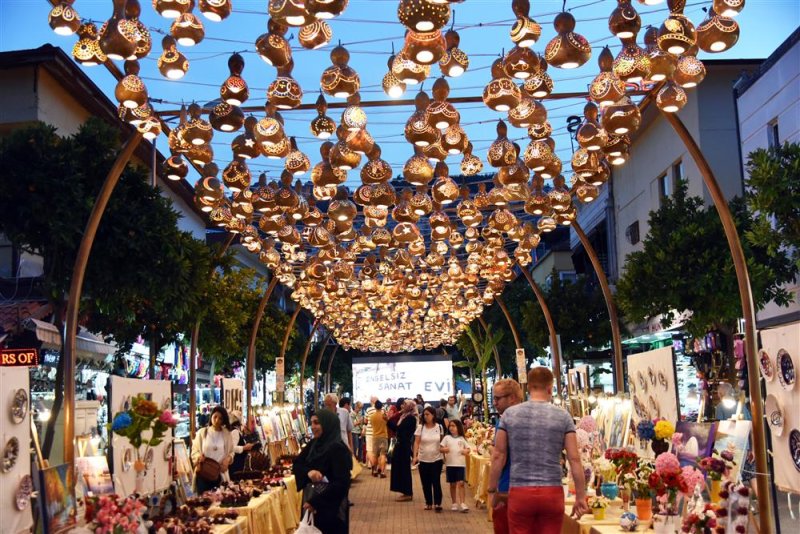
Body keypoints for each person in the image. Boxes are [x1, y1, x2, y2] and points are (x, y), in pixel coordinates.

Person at [488, 367, 588, 534]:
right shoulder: (563, 417)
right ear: (550, 387)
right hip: (552, 492)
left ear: (528, 388)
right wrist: (580, 497)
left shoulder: (509, 416)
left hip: (520, 493)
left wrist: (492, 490)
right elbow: (574, 459)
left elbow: (498, 455)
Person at [293, 409, 352, 534]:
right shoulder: (314, 444)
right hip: (312, 505)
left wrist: (316, 502)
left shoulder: (338, 449)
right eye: (312, 423)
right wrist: (309, 472)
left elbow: (342, 483)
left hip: (331, 509)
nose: (313, 427)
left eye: (317, 423)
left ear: (327, 424)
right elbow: (297, 464)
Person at [489, 379, 524, 534]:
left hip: (508, 488)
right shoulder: (536, 418)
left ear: (512, 397)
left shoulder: (505, 420)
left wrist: (491, 490)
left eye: (498, 398)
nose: (494, 403)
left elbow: (499, 457)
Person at [191, 405, 234, 493]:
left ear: (224, 420)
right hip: (204, 473)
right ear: (211, 416)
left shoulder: (227, 434)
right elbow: (194, 451)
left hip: (220, 473)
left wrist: (228, 459)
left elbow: (231, 451)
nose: (217, 420)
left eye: (220, 418)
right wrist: (199, 457)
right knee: (204, 503)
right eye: (215, 417)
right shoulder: (202, 433)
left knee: (220, 501)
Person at [413, 406, 445, 512]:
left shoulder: (439, 427)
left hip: (437, 458)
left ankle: (437, 503)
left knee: (436, 481)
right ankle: (428, 502)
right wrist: (415, 456)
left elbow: (442, 442)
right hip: (423, 459)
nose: (426, 416)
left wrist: (445, 455)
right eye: (424, 414)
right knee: (425, 482)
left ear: (433, 415)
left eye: (428, 414)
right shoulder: (420, 428)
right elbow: (416, 442)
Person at [388, 399, 417, 502]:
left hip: (403, 446)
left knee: (404, 469)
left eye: (405, 405)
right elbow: (394, 424)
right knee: (399, 469)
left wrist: (388, 422)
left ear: (409, 406)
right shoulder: (403, 416)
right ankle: (404, 491)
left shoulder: (410, 418)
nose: (402, 406)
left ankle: (408, 492)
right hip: (398, 445)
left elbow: (399, 429)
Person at [440, 419, 470, 512]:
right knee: (452, 484)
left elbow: (468, 449)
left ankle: (463, 503)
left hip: (460, 464)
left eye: (453, 426)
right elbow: (440, 448)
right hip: (450, 464)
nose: (451, 428)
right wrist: (444, 449)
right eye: (450, 426)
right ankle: (454, 502)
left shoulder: (462, 438)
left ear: (458, 427)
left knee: (461, 483)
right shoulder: (446, 438)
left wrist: (466, 451)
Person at [228, 410, 257, 476]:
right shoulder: (235, 431)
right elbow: (231, 448)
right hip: (236, 463)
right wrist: (244, 448)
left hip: (237, 462)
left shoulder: (235, 430)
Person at [369, 400, 388, 478]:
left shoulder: (372, 416)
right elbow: (387, 423)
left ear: (375, 407)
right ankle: (382, 473)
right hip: (384, 436)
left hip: (375, 437)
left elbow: (372, 425)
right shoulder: (384, 416)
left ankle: (375, 471)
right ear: (382, 406)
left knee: (375, 455)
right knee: (383, 455)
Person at [364, 396, 378, 468]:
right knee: (375, 450)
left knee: (369, 449)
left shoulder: (368, 410)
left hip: (369, 432)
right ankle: (373, 464)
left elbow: (365, 421)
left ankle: (371, 464)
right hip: (378, 432)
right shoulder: (381, 409)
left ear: (371, 401)